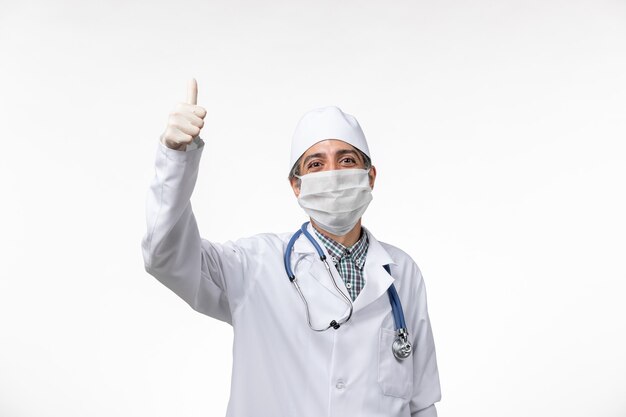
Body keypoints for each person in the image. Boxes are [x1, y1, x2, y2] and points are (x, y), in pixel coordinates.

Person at [141, 78, 441, 417]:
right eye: (315, 164)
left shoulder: (403, 273)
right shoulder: (251, 266)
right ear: (296, 186)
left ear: (370, 176)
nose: (332, 173)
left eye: (346, 160)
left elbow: (421, 404)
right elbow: (164, 255)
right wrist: (176, 160)